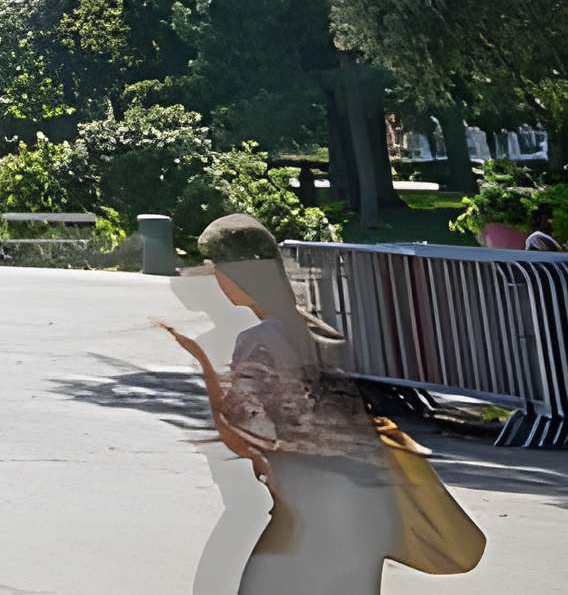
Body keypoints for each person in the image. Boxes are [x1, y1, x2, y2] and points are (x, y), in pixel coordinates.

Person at [161, 213, 483, 592]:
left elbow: (245, 436)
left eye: (217, 268)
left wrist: (204, 366)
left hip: (311, 515)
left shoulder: (260, 341)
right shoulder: (316, 328)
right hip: (366, 507)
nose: (215, 278)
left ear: (236, 273)